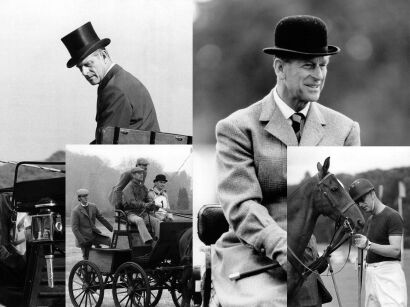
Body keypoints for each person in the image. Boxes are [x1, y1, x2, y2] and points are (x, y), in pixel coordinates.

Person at [212, 15, 359, 307]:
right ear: (280, 67)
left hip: (306, 259)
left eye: (323, 65)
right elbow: (241, 206)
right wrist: (284, 248)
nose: (318, 75)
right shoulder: (237, 128)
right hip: (252, 254)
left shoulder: (345, 130)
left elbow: (342, 200)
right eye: (308, 65)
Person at [61, 22, 160, 143]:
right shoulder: (118, 80)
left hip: (135, 159)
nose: (84, 72)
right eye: (80, 68)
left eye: (88, 64)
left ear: (103, 56)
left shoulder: (115, 89)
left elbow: (107, 143)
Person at [349, 178, 407, 307]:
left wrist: (368, 245)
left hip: (389, 275)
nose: (360, 204)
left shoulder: (393, 216)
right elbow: (371, 249)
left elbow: (395, 250)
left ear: (372, 194)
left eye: (362, 199)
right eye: (357, 202)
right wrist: (362, 260)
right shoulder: (370, 220)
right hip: (371, 275)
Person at [122, 167, 162, 245]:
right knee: (139, 220)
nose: (142, 175)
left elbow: (148, 199)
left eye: (142, 173)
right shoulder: (128, 188)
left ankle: (158, 242)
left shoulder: (143, 187)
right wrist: (144, 204)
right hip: (131, 214)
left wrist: (152, 204)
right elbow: (131, 202)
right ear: (133, 175)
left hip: (143, 213)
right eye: (139, 173)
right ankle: (148, 242)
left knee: (157, 221)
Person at [71, 189, 113, 259]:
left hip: (94, 235)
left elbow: (101, 218)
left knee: (110, 241)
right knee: (86, 257)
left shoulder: (93, 206)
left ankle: (109, 261)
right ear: (79, 198)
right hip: (84, 238)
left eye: (86, 196)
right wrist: (83, 241)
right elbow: (74, 229)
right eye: (83, 196)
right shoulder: (76, 211)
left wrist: (112, 229)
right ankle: (85, 268)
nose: (86, 198)